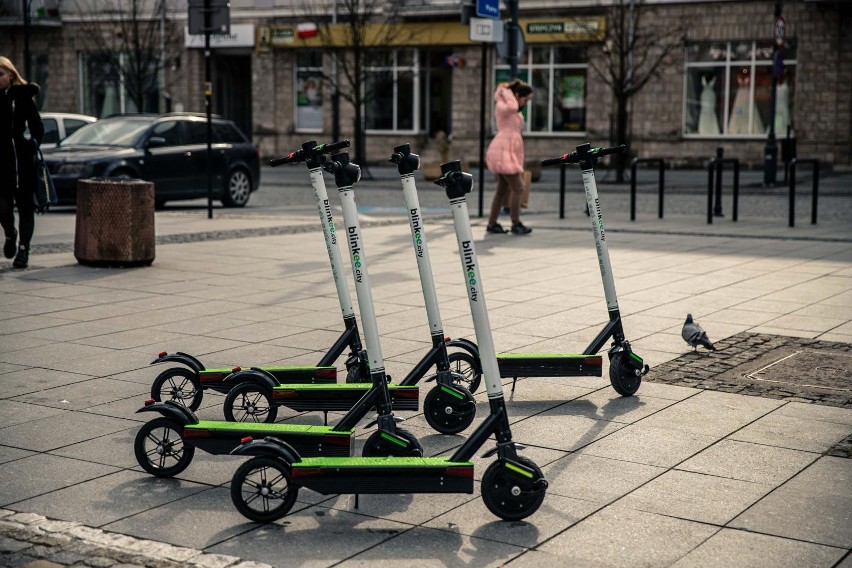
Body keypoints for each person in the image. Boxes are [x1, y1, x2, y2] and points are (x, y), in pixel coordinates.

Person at [0, 56, 44, 269]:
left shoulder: (24, 98)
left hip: (22, 163)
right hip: (2, 164)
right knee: (3, 206)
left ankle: (24, 249)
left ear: (10, 74)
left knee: (26, 207)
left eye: (0, 74)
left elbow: (38, 128)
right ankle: (10, 234)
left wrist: (29, 143)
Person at [485, 79, 533, 235]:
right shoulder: (504, 105)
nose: (525, 103)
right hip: (502, 151)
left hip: (507, 151)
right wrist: (506, 92)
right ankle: (515, 223)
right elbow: (513, 106)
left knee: (502, 190)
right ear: (517, 95)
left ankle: (492, 223)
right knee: (518, 187)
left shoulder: (510, 107)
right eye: (525, 99)